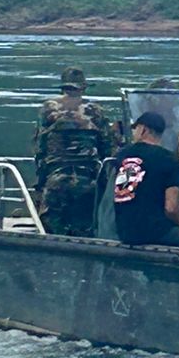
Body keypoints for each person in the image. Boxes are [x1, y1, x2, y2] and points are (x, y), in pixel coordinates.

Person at [32, 66, 112, 236]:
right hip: (87, 180)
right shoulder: (94, 110)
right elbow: (107, 148)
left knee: (51, 232)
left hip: (56, 179)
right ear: (83, 88)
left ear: (63, 87)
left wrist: (39, 185)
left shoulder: (48, 108)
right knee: (86, 232)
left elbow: (40, 147)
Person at [111, 111, 179, 249]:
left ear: (143, 130)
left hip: (124, 231)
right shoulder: (169, 159)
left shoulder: (121, 156)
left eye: (135, 129)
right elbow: (171, 208)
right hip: (155, 232)